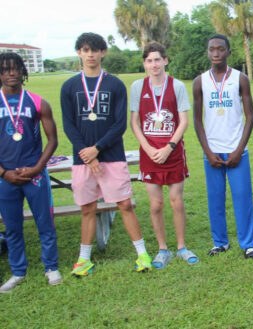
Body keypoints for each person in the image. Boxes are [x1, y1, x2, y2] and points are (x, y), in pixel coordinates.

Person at [61, 32, 151, 276]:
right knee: (88, 208)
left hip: (111, 156)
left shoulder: (114, 85)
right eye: (85, 50)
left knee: (124, 205)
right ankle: (84, 260)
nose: (90, 54)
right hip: (83, 160)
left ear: (103, 53)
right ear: (79, 52)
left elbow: (120, 124)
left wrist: (97, 149)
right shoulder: (69, 86)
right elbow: (69, 125)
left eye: (95, 50)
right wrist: (87, 155)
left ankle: (142, 254)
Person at [129, 42, 197, 268]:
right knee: (156, 204)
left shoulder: (176, 86)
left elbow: (184, 120)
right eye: (149, 60)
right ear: (144, 64)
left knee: (176, 202)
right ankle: (162, 249)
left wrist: (169, 146)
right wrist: (148, 149)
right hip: (150, 154)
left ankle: (181, 247)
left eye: (157, 59)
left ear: (165, 61)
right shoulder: (138, 86)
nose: (154, 64)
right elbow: (134, 122)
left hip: (173, 152)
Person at [193, 34, 253, 259]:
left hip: (237, 150)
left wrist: (239, 149)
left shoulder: (240, 78)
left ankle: (248, 244)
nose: (216, 53)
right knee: (215, 198)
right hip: (212, 152)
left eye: (221, 49)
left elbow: (250, 117)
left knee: (242, 196)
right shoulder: (200, 81)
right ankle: (220, 242)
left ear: (229, 52)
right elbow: (197, 120)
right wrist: (207, 152)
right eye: (212, 49)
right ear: (207, 52)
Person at [0, 53, 61, 292]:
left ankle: (51, 266)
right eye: (5, 69)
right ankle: (18, 272)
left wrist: (38, 167)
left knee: (45, 223)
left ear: (23, 71)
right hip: (6, 178)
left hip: (34, 174)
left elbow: (53, 139)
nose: (11, 73)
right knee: (13, 227)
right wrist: (3, 172)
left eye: (15, 68)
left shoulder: (37, 102)